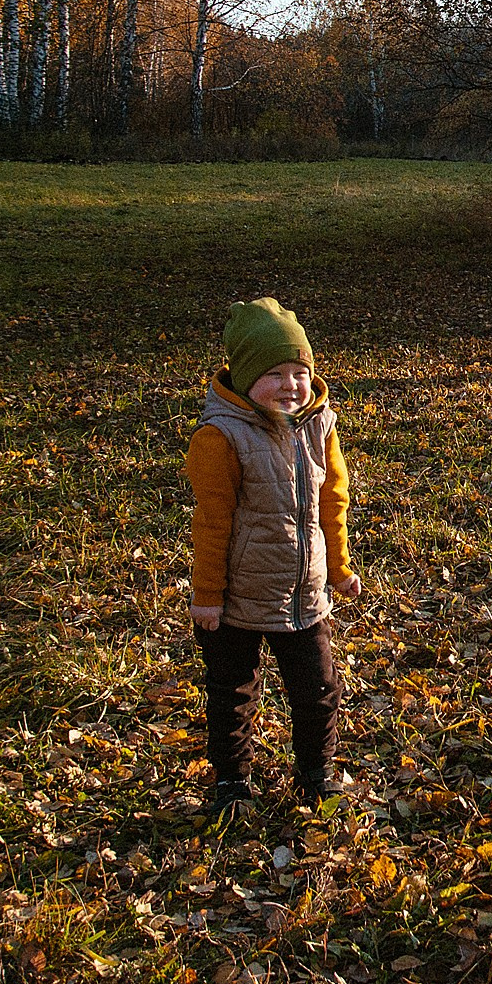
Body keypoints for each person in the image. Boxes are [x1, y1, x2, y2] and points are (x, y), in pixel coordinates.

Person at [187, 297, 362, 812]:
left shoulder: (319, 426)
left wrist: (340, 567)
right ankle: (231, 782)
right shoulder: (220, 437)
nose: (291, 384)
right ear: (244, 380)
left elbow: (334, 499)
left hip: (304, 596)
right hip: (236, 601)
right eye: (275, 373)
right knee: (232, 694)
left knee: (318, 690)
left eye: (300, 372)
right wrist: (207, 597)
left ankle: (316, 771)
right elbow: (211, 522)